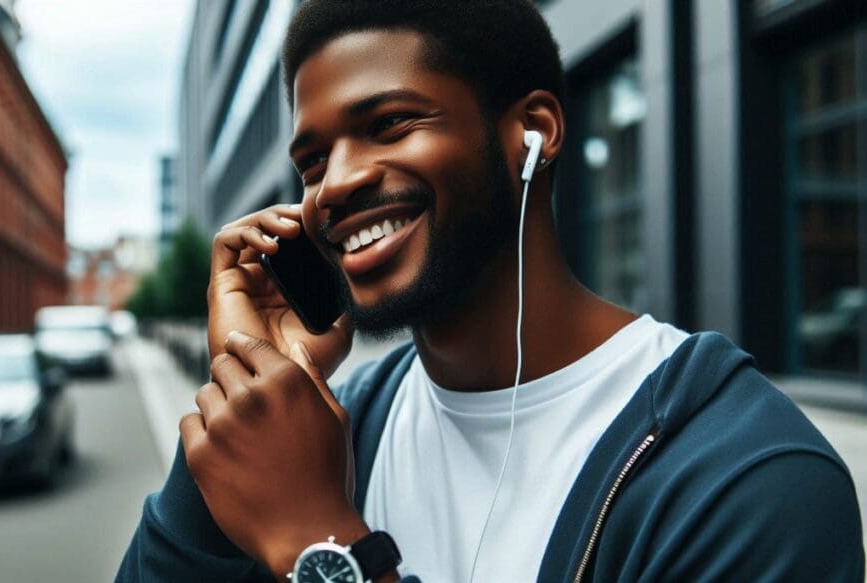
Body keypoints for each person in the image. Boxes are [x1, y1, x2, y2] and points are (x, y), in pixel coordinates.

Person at [118, 1, 865, 581]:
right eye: (313, 162)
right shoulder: (335, 425)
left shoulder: (744, 480)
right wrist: (251, 383)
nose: (333, 187)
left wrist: (321, 544)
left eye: (389, 123)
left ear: (531, 134)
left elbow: (311, 536)